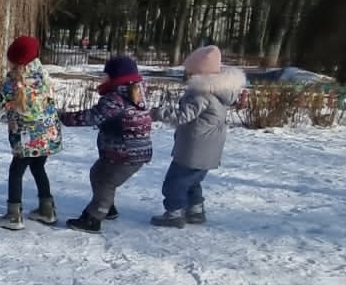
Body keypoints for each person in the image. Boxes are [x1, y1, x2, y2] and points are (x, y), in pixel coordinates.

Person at [0, 34, 63, 230]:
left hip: (25, 138)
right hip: (48, 135)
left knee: (16, 171)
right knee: (38, 167)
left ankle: (13, 215)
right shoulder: (43, 75)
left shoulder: (12, 84)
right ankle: (47, 209)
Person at [152, 44, 246, 228]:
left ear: (198, 72)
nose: (186, 74)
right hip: (210, 148)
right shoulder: (220, 92)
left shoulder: (200, 93)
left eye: (189, 71)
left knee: (175, 181)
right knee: (193, 181)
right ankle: (195, 210)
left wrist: (157, 113)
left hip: (193, 147)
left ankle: (174, 213)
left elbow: (183, 116)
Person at [56, 54, 153, 233]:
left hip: (125, 153)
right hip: (128, 151)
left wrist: (63, 117)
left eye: (106, 74)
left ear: (116, 77)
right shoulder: (136, 94)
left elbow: (93, 116)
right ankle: (108, 207)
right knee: (98, 173)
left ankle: (94, 217)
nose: (102, 77)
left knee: (105, 182)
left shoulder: (116, 99)